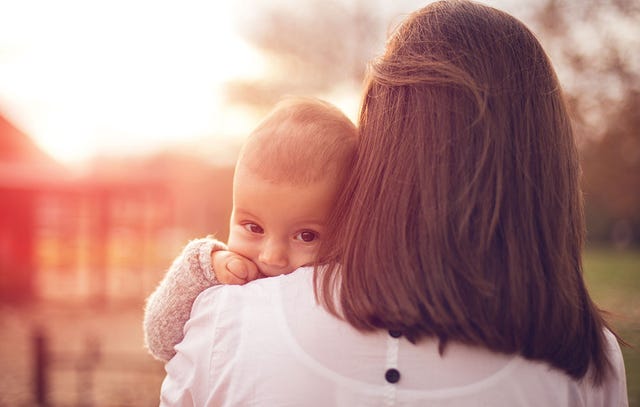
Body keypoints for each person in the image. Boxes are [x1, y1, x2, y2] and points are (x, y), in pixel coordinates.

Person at [158, 1, 629, 406]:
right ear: (547, 169)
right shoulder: (588, 364)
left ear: (378, 154)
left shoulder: (226, 322)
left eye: (305, 234)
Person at [143, 96, 357, 361]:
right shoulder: (227, 275)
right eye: (253, 227)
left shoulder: (349, 288)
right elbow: (160, 341)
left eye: (306, 236)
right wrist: (203, 266)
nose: (271, 257)